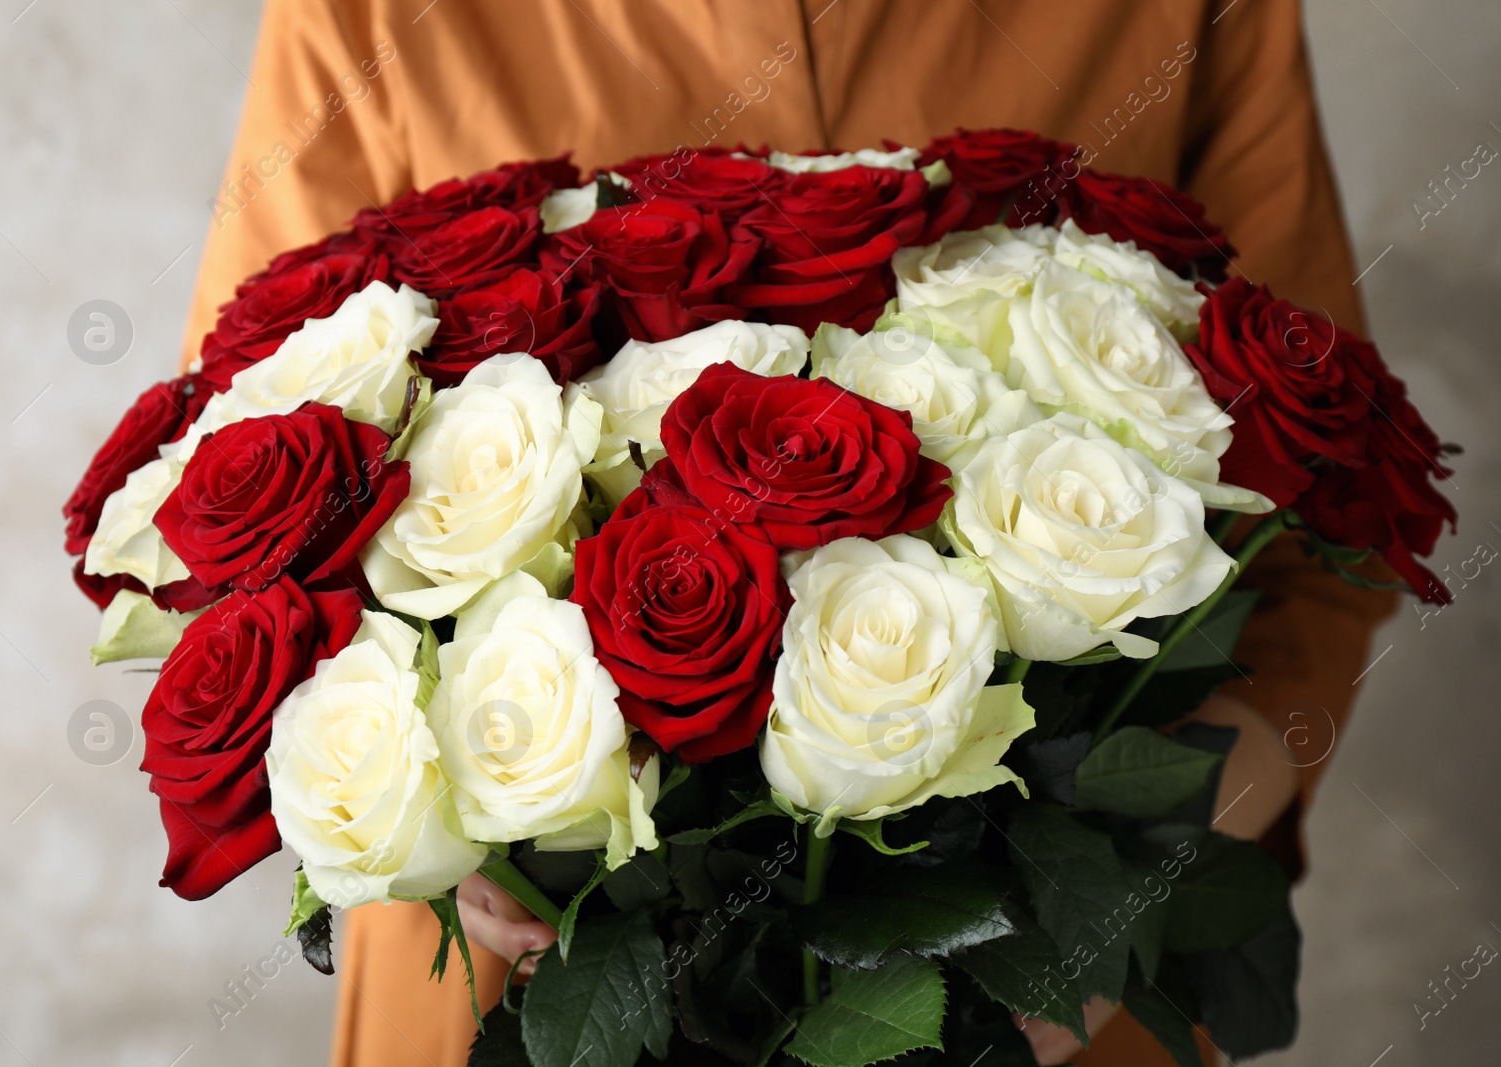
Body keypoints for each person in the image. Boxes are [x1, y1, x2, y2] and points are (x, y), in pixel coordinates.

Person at [178, 2, 1397, 1063]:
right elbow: (235, 515)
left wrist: (1116, 889)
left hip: (1039, 1000)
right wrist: (451, 832)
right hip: (519, 989)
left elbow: (1322, 533)